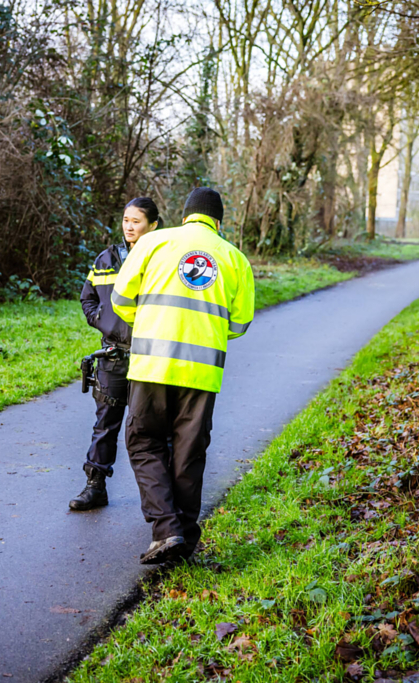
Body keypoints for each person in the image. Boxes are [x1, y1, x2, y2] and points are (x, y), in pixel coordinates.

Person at [111, 187, 254, 564]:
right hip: (202, 373)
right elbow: (240, 323)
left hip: (152, 365)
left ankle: (166, 529)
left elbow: (120, 300)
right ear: (218, 222)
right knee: (189, 453)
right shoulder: (235, 258)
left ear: (185, 214)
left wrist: (149, 320)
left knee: (144, 441)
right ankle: (184, 540)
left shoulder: (153, 242)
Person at [70, 197, 163, 510]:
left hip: (149, 357)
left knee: (150, 427)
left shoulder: (162, 258)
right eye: (126, 220)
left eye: (136, 221)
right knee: (105, 423)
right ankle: (95, 487)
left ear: (153, 225)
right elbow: (88, 298)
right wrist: (102, 321)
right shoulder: (107, 258)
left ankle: (160, 499)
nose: (129, 227)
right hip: (113, 357)